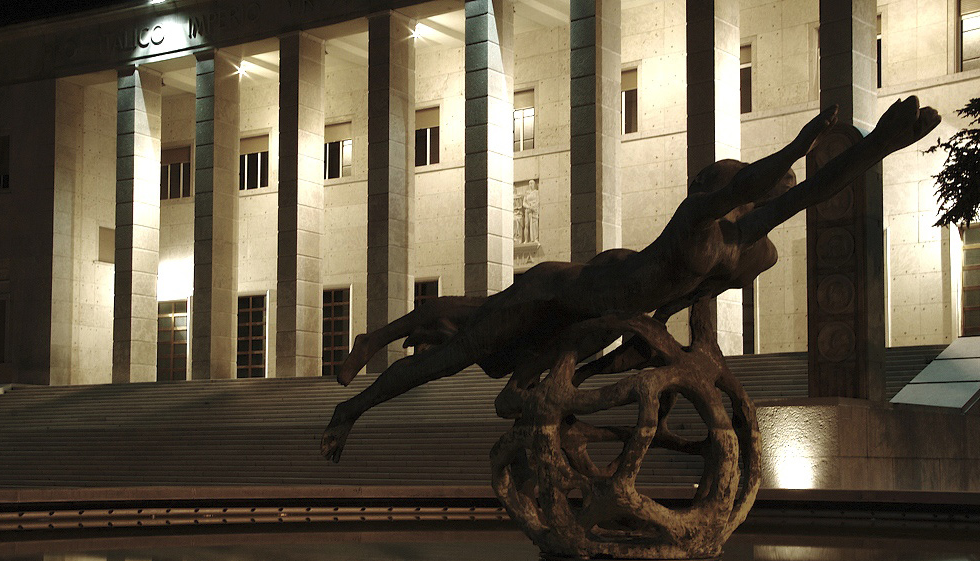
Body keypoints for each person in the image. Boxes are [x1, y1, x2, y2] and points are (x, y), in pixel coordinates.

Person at [323, 97, 940, 462]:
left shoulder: (739, 243)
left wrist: (882, 145)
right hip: (559, 292)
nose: (763, 195)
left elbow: (811, 193)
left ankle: (385, 346)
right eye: (744, 185)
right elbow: (764, 182)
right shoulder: (698, 220)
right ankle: (354, 402)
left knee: (480, 335)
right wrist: (801, 142)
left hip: (596, 320)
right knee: (455, 353)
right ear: (722, 189)